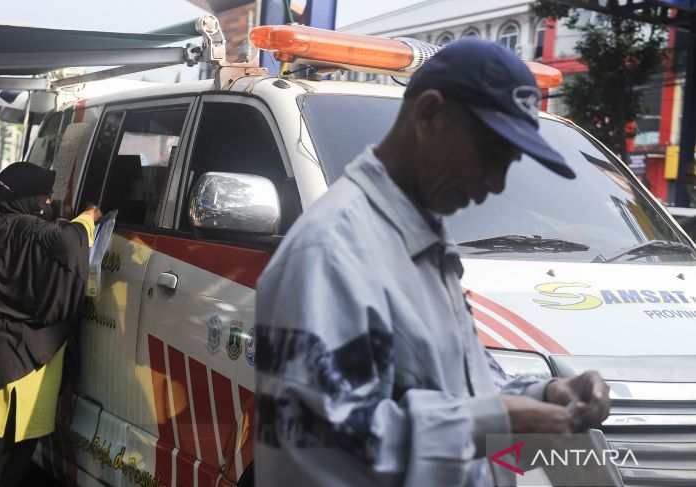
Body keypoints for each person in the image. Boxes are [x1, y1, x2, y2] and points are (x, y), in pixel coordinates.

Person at [254, 39, 610, 486]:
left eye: (509, 163)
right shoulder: (333, 251)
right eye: (490, 155)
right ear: (428, 116)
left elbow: (460, 387)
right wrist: (489, 420)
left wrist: (544, 395)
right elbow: (324, 446)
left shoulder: (420, 241)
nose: (496, 183)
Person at [0, 162, 101, 486]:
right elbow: (69, 243)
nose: (47, 203)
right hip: (16, 378)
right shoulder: (22, 229)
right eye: (43, 195)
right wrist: (88, 217)